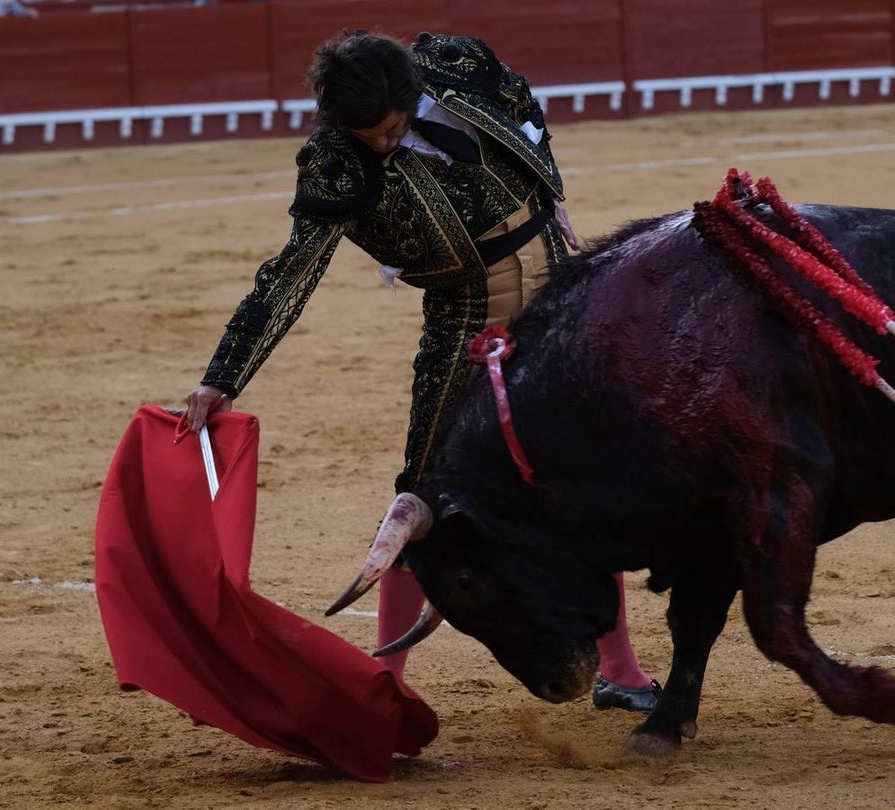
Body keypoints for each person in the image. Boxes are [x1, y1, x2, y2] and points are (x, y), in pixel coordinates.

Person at [184, 29, 660, 713]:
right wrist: (222, 376)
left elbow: (523, 103)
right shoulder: (334, 163)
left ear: (411, 98)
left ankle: (622, 670)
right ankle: (386, 687)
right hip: (467, 319)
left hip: (560, 298)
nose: (380, 144)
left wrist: (550, 190)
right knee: (425, 498)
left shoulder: (456, 64)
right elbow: (291, 273)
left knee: (583, 477)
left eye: (390, 128)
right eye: (365, 134)